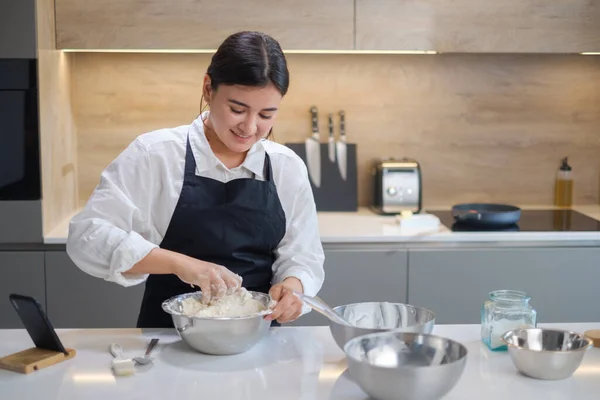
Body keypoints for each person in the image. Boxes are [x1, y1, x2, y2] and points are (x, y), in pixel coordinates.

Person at [66, 31, 325, 328]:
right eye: (237, 109)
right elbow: (87, 237)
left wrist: (294, 286)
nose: (250, 127)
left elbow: (303, 255)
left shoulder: (286, 166)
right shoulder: (155, 155)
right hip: (168, 337)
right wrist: (181, 264)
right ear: (207, 89)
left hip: (259, 337)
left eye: (266, 115)